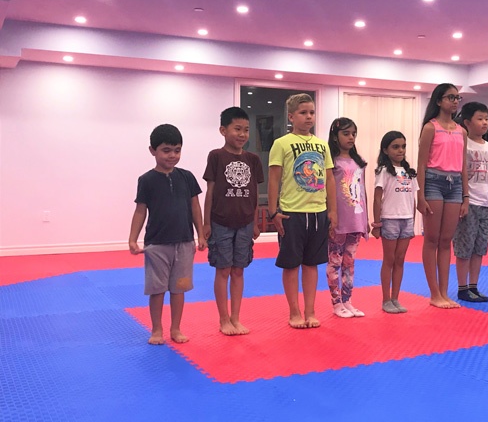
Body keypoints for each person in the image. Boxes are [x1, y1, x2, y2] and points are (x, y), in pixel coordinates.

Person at [128, 124, 206, 345]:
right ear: (152, 150)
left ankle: (176, 328)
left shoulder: (187, 177)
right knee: (157, 289)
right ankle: (156, 329)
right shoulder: (146, 180)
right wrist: (133, 238)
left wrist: (200, 234)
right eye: (166, 150)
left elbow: (195, 207)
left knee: (179, 288)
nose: (172, 155)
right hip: (157, 244)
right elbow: (140, 210)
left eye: (177, 150)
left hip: (184, 242)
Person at [268, 94, 337, 328]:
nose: (309, 117)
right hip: (292, 212)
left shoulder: (322, 145)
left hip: (318, 211)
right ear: (291, 117)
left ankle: (310, 310)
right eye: (303, 113)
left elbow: (329, 179)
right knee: (291, 264)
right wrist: (273, 211)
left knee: (311, 263)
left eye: (312, 113)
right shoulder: (282, 143)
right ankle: (294, 311)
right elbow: (274, 178)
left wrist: (332, 211)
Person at [203, 107, 264, 335]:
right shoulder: (216, 156)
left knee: (239, 270)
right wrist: (206, 223)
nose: (242, 134)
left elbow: (254, 195)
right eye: (237, 129)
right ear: (223, 130)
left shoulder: (253, 159)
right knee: (223, 270)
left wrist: (255, 222)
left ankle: (236, 318)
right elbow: (210, 191)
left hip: (245, 223)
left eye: (246, 130)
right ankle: (223, 319)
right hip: (220, 222)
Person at [417, 83, 468, 309]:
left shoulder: (462, 131)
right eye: (450, 97)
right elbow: (421, 164)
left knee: (447, 240)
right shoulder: (430, 128)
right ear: (439, 101)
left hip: (454, 183)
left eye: (457, 98)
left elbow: (463, 165)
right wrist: (420, 195)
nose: (455, 101)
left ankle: (445, 292)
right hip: (433, 182)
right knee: (432, 239)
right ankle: (434, 293)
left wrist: (466, 195)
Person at [453, 102, 488, 303]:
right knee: (465, 247)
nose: (485, 122)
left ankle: (474, 286)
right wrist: (463, 199)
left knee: (480, 248)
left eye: (486, 119)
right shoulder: (463, 145)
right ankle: (462, 288)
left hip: (485, 204)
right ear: (467, 122)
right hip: (469, 204)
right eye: (480, 119)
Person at [326, 117, 369, 318]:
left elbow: (363, 190)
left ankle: (347, 300)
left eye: (353, 134)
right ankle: (336, 303)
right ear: (335, 137)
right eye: (346, 133)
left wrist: (366, 218)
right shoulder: (332, 162)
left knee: (349, 262)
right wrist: (330, 214)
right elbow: (328, 189)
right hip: (339, 218)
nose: (351, 137)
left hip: (356, 217)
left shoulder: (358, 162)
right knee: (335, 261)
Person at [372, 131, 419, 313]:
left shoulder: (410, 172)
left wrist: (412, 222)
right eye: (395, 147)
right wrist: (377, 224)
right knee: (389, 259)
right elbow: (377, 198)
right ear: (386, 150)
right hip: (390, 219)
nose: (401, 150)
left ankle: (395, 298)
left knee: (400, 260)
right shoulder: (384, 171)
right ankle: (386, 299)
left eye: (403, 146)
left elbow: (412, 199)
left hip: (406, 220)